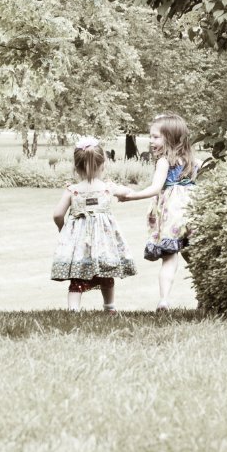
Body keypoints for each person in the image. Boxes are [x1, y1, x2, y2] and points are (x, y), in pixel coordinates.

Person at [118, 112, 198, 311]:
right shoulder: (192, 161)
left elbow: (155, 188)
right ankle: (205, 298)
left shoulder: (164, 162)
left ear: (170, 138)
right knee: (194, 258)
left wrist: (130, 196)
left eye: (155, 137)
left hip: (172, 216)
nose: (150, 141)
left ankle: (164, 299)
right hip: (192, 212)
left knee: (170, 258)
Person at [51, 136, 136, 312]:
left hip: (79, 244)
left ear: (76, 167)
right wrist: (124, 191)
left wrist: (62, 227)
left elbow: (58, 214)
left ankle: (73, 310)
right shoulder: (107, 188)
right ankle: (110, 307)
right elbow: (127, 192)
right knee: (106, 272)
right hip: (103, 243)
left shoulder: (72, 191)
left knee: (77, 275)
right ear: (103, 164)